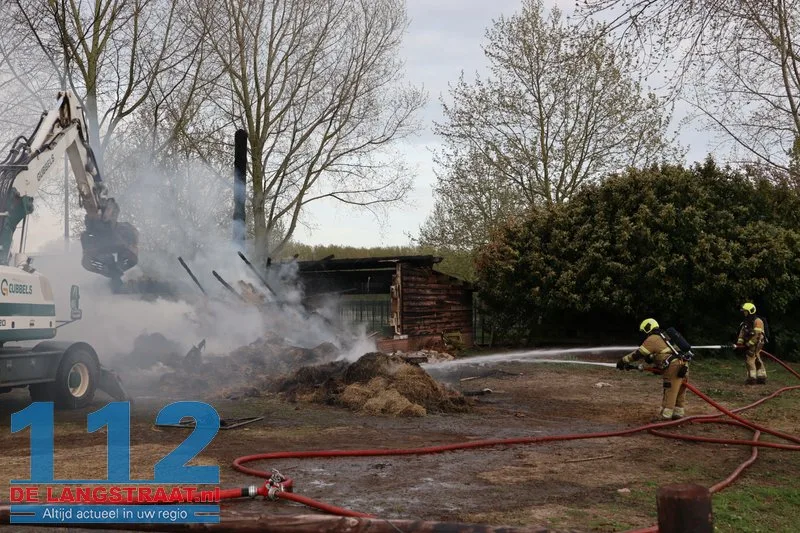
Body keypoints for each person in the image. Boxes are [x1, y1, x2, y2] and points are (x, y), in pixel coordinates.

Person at [617, 318, 690, 421]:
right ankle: (678, 413)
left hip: (673, 367)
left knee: (670, 390)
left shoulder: (653, 338)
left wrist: (623, 361)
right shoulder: (665, 337)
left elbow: (638, 354)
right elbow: (664, 353)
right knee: (680, 391)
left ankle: (665, 415)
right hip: (683, 365)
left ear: (647, 328)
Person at [736, 302, 767, 385]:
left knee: (749, 359)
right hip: (751, 343)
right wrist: (739, 343)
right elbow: (742, 333)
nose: (744, 313)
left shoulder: (758, 321)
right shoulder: (746, 322)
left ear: (750, 311)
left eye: (745, 311)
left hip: (757, 343)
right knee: (756, 357)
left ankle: (751, 378)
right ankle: (761, 377)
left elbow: (757, 335)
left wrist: (748, 345)